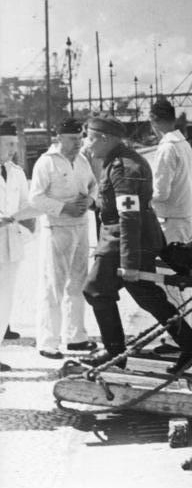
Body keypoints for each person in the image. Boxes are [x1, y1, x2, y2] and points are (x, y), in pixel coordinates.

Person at [82, 115, 192, 370]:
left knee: (96, 290)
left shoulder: (124, 168)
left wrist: (129, 263)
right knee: (147, 295)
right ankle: (191, 346)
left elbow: (129, 216)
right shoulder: (118, 160)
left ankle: (115, 353)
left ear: (105, 138)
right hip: (130, 238)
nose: (87, 143)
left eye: (91, 137)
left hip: (125, 241)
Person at [29, 118, 98, 359]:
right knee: (53, 286)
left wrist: (89, 201)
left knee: (78, 283)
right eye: (72, 139)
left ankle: (76, 337)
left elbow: (94, 186)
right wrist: (63, 208)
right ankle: (48, 342)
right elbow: (35, 199)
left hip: (81, 227)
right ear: (59, 137)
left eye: (80, 138)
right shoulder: (46, 163)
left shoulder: (81, 160)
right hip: (57, 229)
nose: (78, 143)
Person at [0, 121, 35, 372]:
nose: (13, 149)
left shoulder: (17, 172)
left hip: (11, 244)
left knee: (5, 300)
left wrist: (25, 223)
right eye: (9, 144)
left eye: (15, 144)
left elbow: (26, 205)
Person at [149, 99, 192, 244]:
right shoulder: (183, 143)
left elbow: (161, 193)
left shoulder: (167, 148)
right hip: (184, 214)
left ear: (154, 121)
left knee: (172, 263)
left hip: (170, 220)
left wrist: (144, 195)